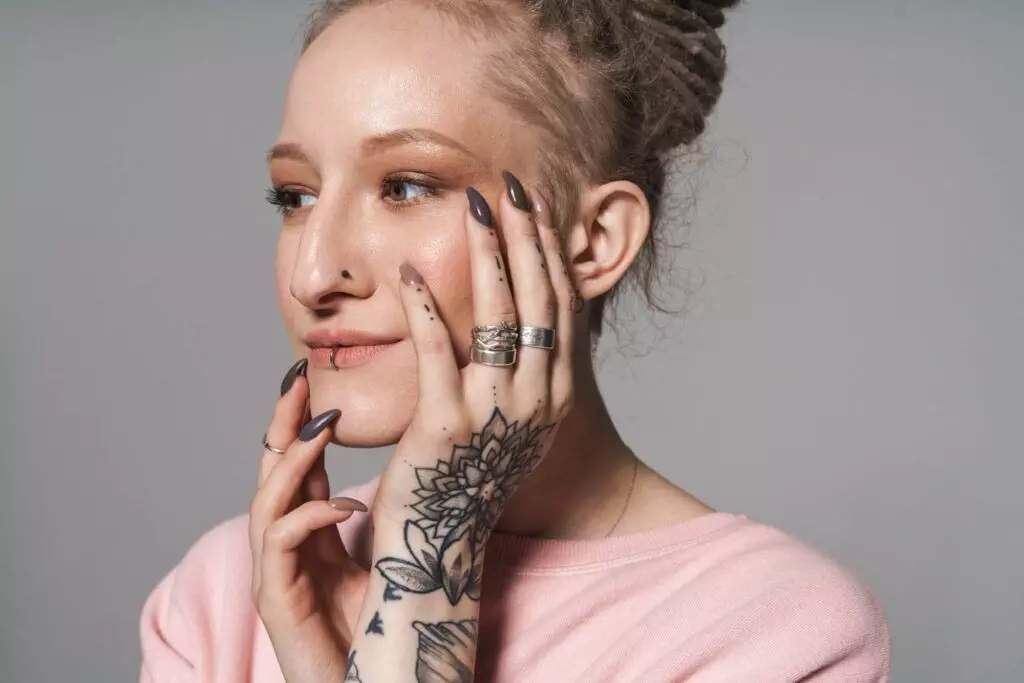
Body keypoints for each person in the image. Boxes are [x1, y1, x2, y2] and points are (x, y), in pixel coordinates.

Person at [139, 1, 891, 681]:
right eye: (295, 196)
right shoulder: (221, 599)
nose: (313, 273)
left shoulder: (774, 633)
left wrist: (424, 578)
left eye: (404, 186)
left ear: (594, 239)